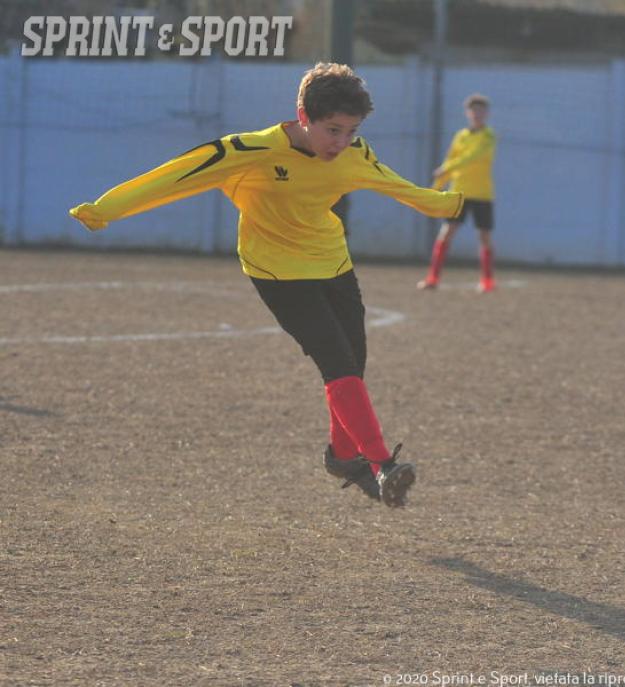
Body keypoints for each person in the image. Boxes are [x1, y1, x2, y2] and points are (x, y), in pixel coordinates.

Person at [68, 62, 464, 508]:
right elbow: (175, 175)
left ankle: (342, 458)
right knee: (337, 362)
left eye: (351, 131)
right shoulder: (249, 151)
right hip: (277, 272)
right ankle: (381, 463)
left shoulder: (355, 154)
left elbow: (395, 185)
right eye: (333, 130)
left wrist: (444, 205)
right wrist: (107, 209)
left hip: (333, 262)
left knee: (352, 365)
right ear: (303, 115)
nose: (341, 142)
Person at [417, 93, 498, 293]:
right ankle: (432, 278)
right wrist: (435, 189)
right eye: (474, 110)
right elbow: (449, 161)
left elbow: (472, 157)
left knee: (484, 237)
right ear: (468, 113)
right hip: (458, 192)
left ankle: (487, 281)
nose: (477, 114)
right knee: (446, 234)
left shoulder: (489, 136)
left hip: (482, 194)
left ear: (487, 113)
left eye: (481, 111)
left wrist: (447, 168)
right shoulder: (461, 135)